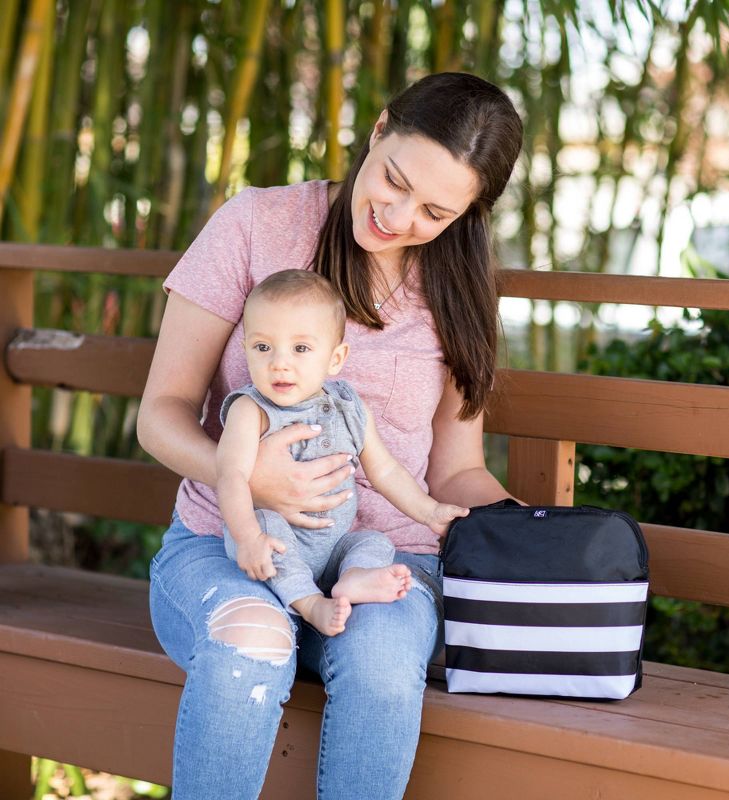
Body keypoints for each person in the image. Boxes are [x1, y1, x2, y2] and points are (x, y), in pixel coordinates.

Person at [138, 71, 523, 800]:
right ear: (378, 132)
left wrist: (520, 533)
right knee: (252, 643)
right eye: (393, 180)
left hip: (381, 563)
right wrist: (245, 475)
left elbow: (456, 468)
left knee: (381, 667)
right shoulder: (257, 223)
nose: (397, 216)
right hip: (227, 548)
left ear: (470, 214)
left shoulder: (460, 289)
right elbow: (161, 411)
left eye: (434, 211)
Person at [218, 269, 469, 636]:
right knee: (269, 527)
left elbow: (384, 471)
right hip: (272, 540)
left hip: (333, 545)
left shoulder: (348, 405)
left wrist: (429, 511)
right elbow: (231, 476)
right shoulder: (250, 410)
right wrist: (246, 537)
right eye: (262, 347)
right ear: (247, 350)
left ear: (336, 358)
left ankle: (352, 578)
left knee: (373, 541)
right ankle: (309, 603)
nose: (279, 363)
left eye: (300, 348)